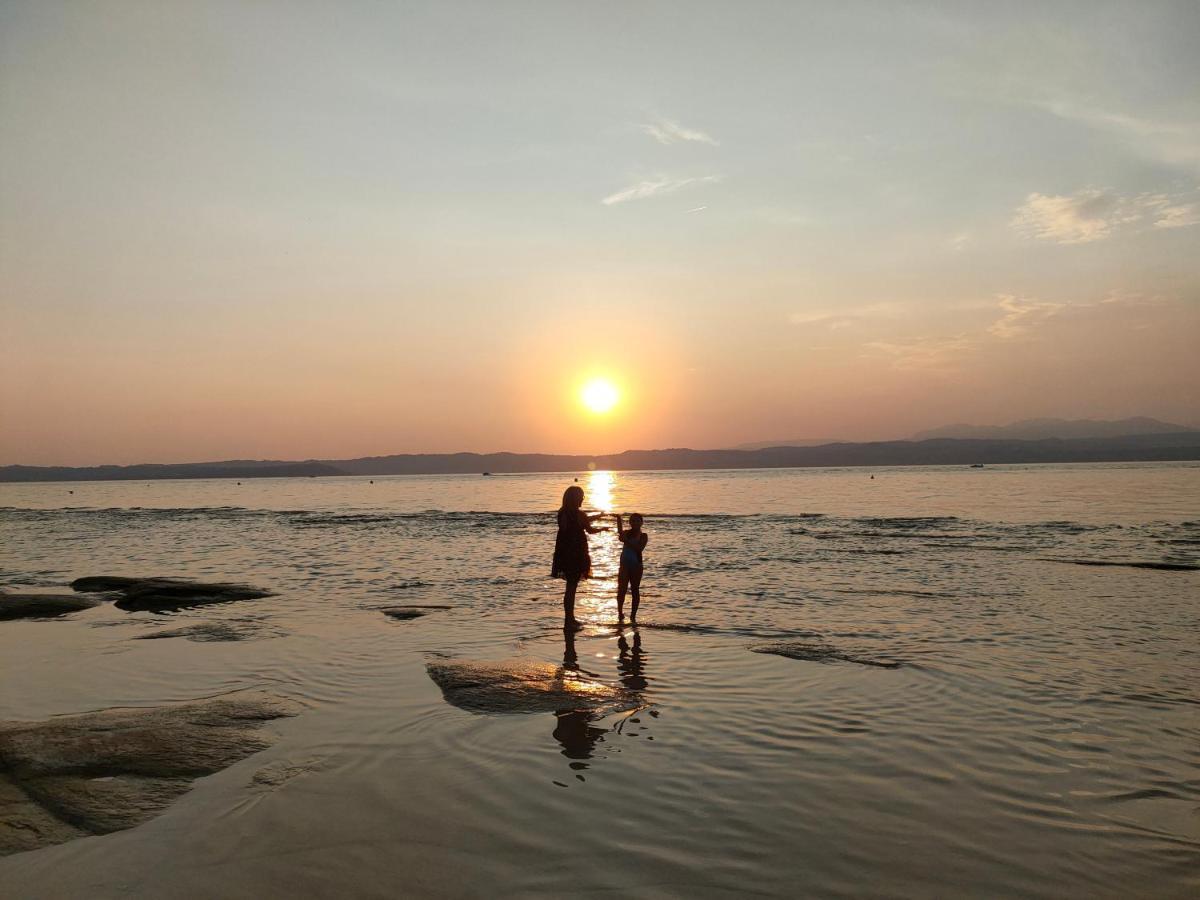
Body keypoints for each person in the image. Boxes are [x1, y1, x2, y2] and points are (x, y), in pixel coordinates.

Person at [551, 485, 608, 628]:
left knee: (570, 587)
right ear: (575, 498)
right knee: (572, 587)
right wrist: (602, 529)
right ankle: (569, 621)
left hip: (564, 552)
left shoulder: (562, 512)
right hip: (577, 553)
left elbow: (570, 526)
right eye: (581, 496)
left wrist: (598, 516)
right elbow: (589, 529)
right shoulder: (579, 515)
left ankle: (568, 619)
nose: (583, 498)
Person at [613, 512, 648, 622]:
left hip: (636, 565)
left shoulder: (643, 536)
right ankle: (620, 612)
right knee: (621, 589)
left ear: (641, 523)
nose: (635, 523)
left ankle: (633, 615)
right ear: (630, 523)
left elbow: (639, 549)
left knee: (635, 590)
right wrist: (618, 519)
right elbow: (620, 533)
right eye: (633, 521)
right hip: (624, 565)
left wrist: (626, 541)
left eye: (637, 521)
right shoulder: (627, 533)